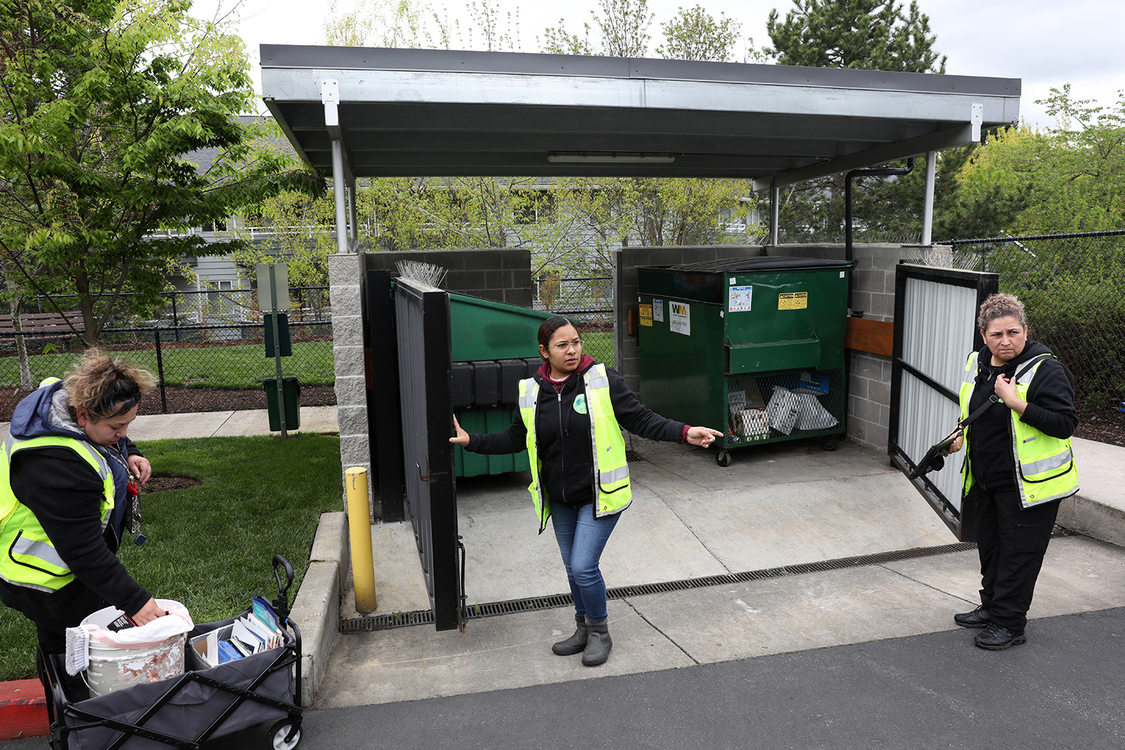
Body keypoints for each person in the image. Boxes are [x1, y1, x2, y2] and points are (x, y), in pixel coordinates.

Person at [450, 316, 723, 666]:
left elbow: (641, 419)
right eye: (562, 345)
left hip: (600, 495)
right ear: (543, 352)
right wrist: (472, 441)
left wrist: (685, 432)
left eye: (576, 342)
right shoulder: (531, 392)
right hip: (560, 497)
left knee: (583, 566)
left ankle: (599, 631)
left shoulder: (601, 380)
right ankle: (582, 628)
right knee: (571, 567)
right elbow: (515, 439)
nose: (572, 350)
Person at [0, 350, 168, 656]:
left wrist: (129, 450)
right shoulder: (56, 467)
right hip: (43, 574)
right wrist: (136, 601)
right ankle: (72, 702)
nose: (122, 434)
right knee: (72, 653)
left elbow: (109, 428)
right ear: (82, 416)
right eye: (117, 428)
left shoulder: (65, 401)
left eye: (128, 424)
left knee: (70, 644)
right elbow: (83, 551)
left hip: (65, 561)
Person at [946, 293, 1078, 650]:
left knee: (1019, 555)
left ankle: (1010, 624)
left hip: (1030, 485)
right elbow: (972, 407)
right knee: (991, 549)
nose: (1006, 341)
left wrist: (1016, 402)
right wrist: (961, 433)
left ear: (1025, 331)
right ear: (983, 335)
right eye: (996, 334)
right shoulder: (977, 363)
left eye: (1013, 332)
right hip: (987, 477)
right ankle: (991, 607)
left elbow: (1064, 423)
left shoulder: (1046, 370)